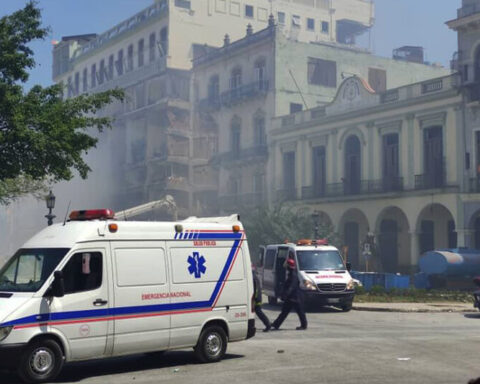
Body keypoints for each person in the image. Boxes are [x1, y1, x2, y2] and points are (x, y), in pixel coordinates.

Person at [271, 257, 308, 331]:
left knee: (300, 312)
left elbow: (291, 287)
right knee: (284, 312)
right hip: (292, 297)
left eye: (286, 264)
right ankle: (276, 324)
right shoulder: (291, 273)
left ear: (289, 266)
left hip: (294, 297)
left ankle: (304, 325)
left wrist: (285, 295)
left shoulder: (293, 275)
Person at [252, 267, 271, 332]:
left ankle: (268, 324)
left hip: (256, 298)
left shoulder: (253, 277)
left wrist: (255, 299)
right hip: (256, 297)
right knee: (256, 312)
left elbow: (256, 290)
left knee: (258, 311)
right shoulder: (254, 276)